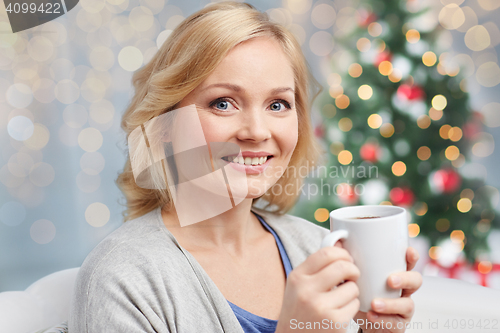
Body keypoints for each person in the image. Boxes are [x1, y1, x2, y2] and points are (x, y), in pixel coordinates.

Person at [68, 2, 422, 332]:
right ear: (165, 127)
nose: (256, 131)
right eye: (223, 103)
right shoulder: (122, 276)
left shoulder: (318, 247)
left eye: (278, 104)